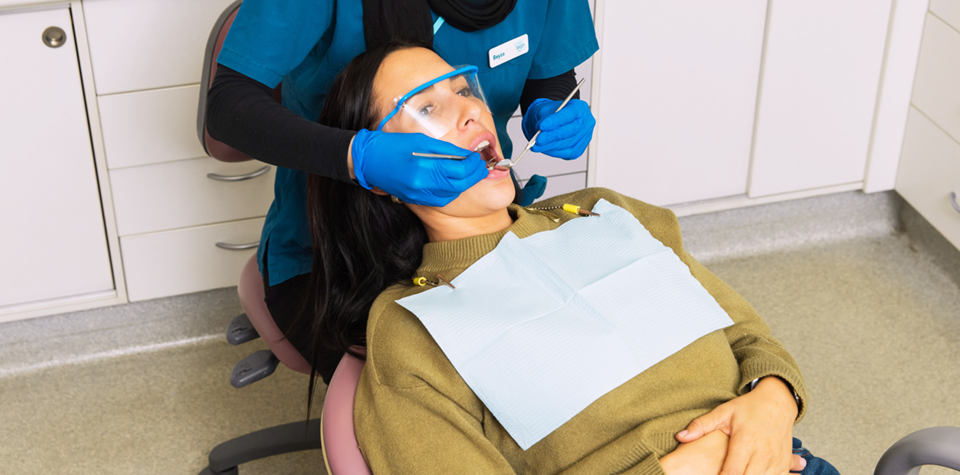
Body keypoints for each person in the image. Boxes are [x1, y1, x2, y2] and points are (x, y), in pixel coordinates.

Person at [299, 42, 842, 475]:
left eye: (465, 91)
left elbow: (747, 337)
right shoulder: (411, 324)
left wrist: (772, 402)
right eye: (427, 108)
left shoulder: (601, 210)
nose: (469, 111)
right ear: (383, 175)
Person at [205, 0, 599, 384]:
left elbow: (544, 70)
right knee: (459, 394)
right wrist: (357, 157)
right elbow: (230, 106)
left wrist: (556, 105)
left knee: (568, 364)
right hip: (337, 256)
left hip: (486, 232)